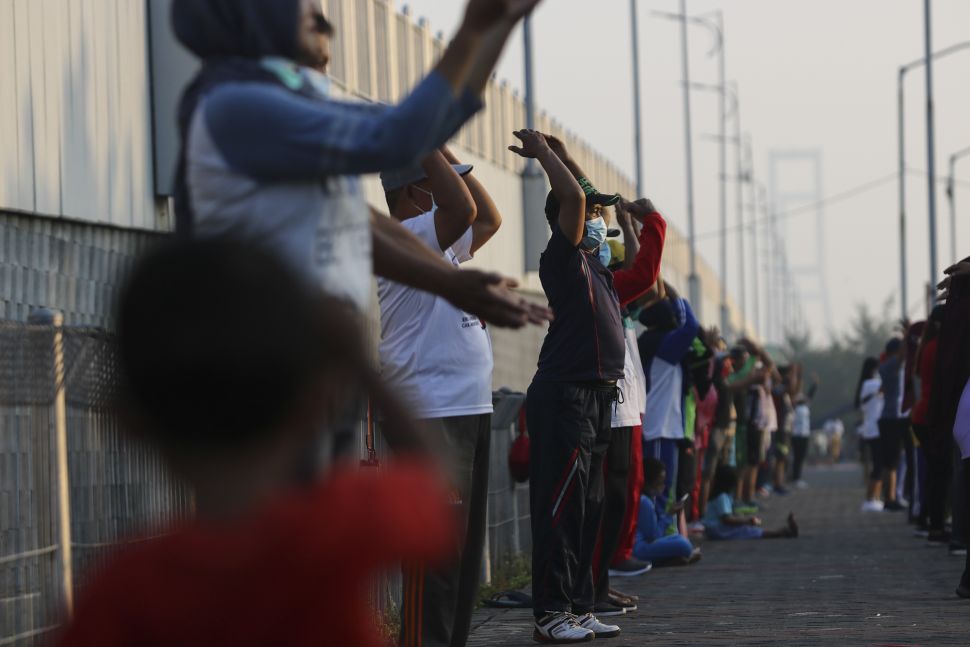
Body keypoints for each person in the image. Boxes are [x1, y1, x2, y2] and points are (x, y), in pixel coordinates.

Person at [56, 239, 456, 647]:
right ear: (315, 402)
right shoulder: (341, 529)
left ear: (128, 420)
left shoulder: (119, 593)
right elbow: (433, 478)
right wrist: (355, 358)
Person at [172, 0, 549, 330]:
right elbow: (403, 136)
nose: (319, 18)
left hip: (294, 372)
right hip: (249, 370)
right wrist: (473, 31)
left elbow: (360, 219)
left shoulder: (276, 103)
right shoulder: (240, 107)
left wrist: (494, 29)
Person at [510, 128, 665, 643]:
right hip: (565, 396)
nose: (599, 221)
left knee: (588, 510)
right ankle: (550, 614)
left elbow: (585, 194)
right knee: (562, 509)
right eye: (592, 217)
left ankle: (578, 606)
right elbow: (575, 197)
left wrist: (571, 157)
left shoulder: (600, 270)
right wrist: (547, 156)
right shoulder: (563, 258)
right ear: (568, 223)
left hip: (599, 398)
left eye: (600, 215)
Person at [377, 147, 500, 647]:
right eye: (447, 181)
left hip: (465, 410)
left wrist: (443, 148)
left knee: (460, 557)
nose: (460, 191)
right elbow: (468, 212)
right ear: (412, 191)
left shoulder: (439, 245)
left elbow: (488, 217)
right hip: (431, 417)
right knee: (435, 559)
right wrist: (421, 139)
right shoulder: (407, 239)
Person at [639, 283, 700, 526]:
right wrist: (677, 298)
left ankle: (663, 532)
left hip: (665, 426)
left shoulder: (654, 341)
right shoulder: (661, 344)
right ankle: (653, 535)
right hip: (656, 427)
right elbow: (691, 326)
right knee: (655, 489)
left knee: (663, 488)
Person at [633, 459, 701, 565]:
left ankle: (671, 559)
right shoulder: (645, 502)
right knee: (683, 544)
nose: (662, 486)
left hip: (642, 545)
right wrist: (669, 515)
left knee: (678, 538)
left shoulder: (647, 500)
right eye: (659, 483)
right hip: (639, 549)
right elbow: (654, 536)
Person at [703, 465, 798, 540]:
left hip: (714, 529)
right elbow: (727, 519)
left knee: (747, 529)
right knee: (748, 531)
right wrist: (746, 521)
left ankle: (783, 531)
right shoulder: (722, 497)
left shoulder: (718, 496)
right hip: (717, 530)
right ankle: (782, 533)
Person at [878, 338, 908, 511]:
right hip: (894, 417)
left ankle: (887, 496)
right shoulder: (892, 364)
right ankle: (891, 498)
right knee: (894, 462)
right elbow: (903, 357)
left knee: (888, 461)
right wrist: (907, 335)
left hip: (886, 417)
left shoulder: (883, 366)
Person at [856, 357, 885, 512]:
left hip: (869, 429)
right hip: (877, 429)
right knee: (878, 465)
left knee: (876, 464)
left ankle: (874, 498)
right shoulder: (874, 384)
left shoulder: (864, 385)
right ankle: (871, 498)